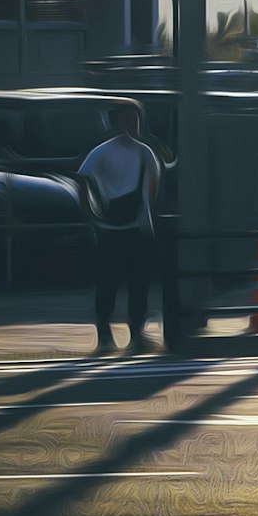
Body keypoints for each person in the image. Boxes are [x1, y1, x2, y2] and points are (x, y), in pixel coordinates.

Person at [77, 99, 161, 355]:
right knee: (116, 282)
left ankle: (127, 332)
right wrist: (91, 213)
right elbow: (82, 180)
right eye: (126, 119)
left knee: (129, 282)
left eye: (133, 119)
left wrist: (91, 213)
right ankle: (112, 332)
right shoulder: (117, 152)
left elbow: (82, 178)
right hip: (122, 227)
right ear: (115, 122)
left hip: (126, 227)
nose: (130, 124)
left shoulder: (138, 151)